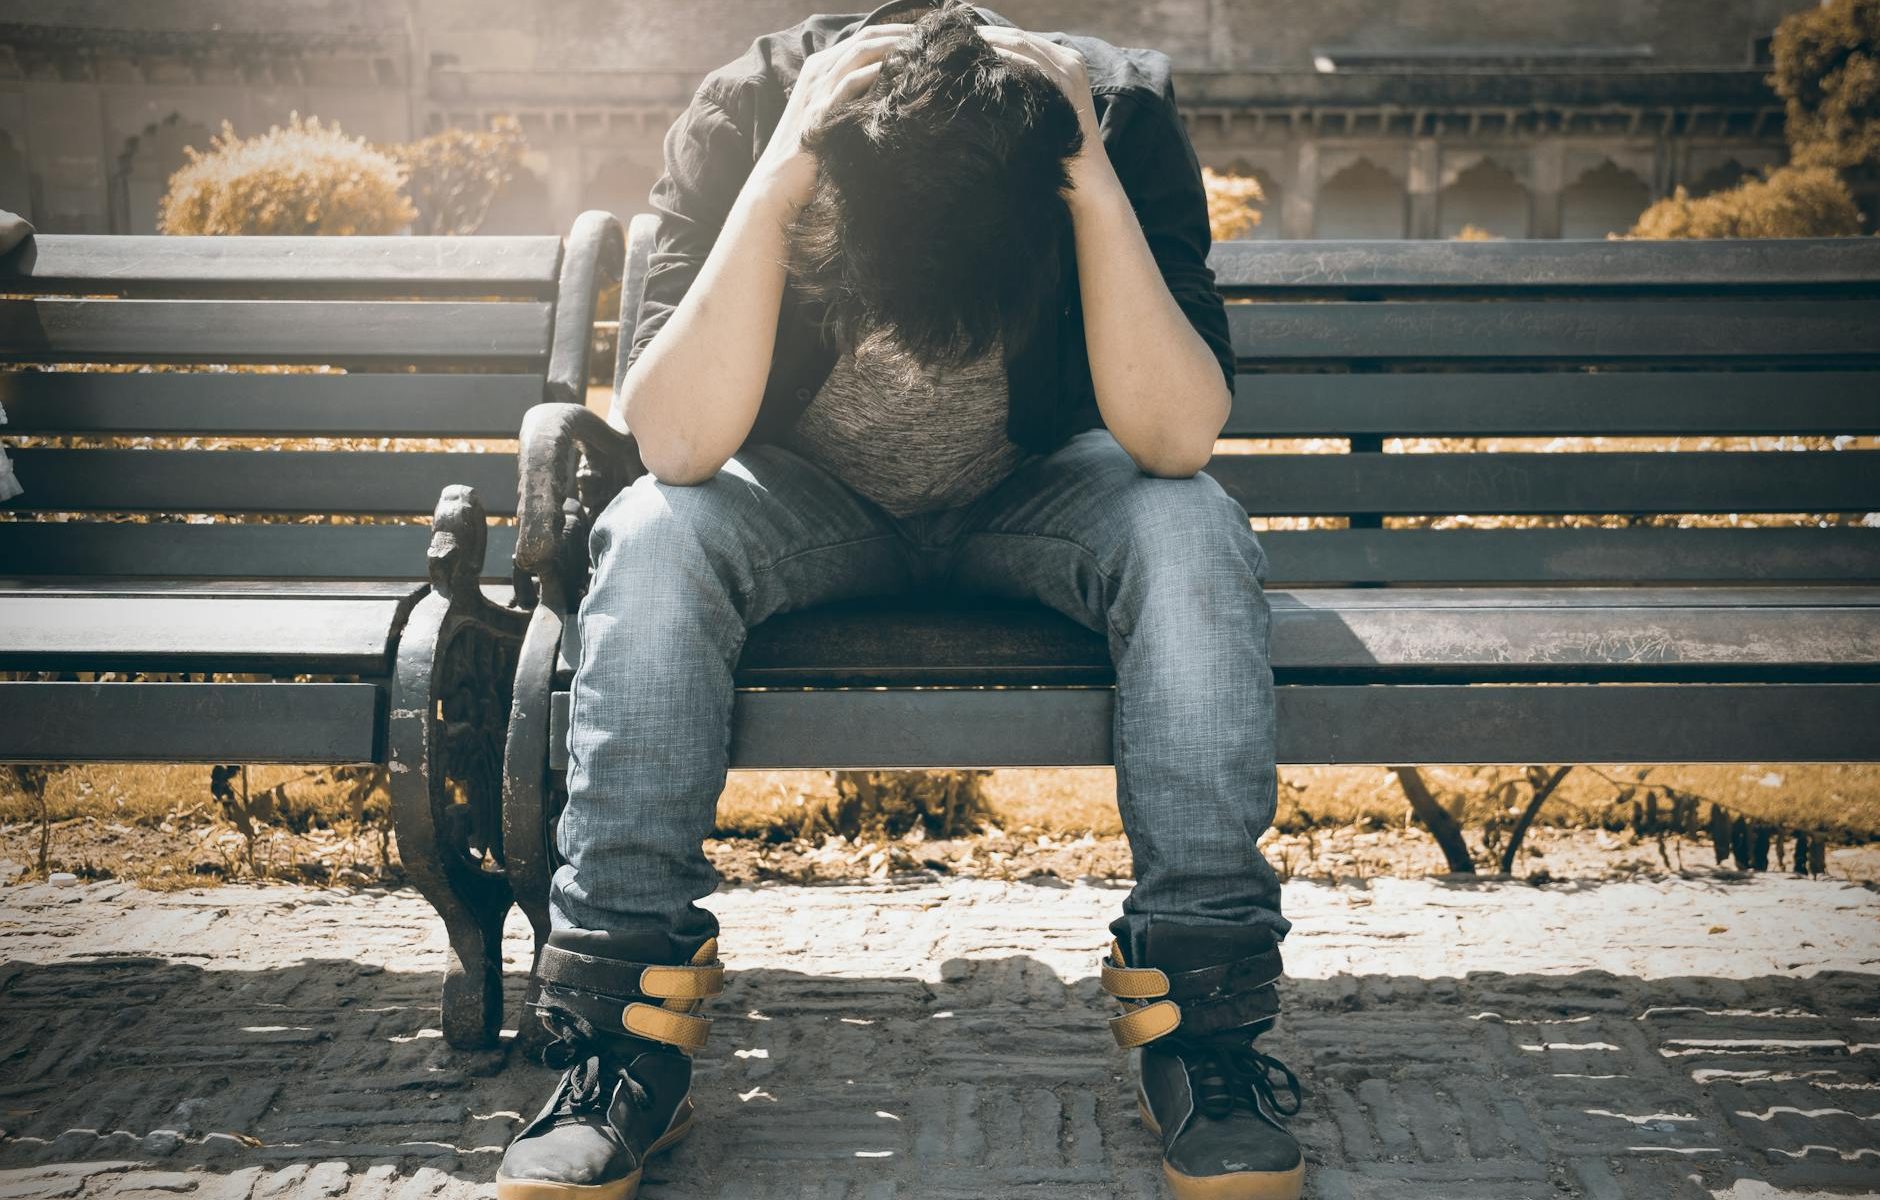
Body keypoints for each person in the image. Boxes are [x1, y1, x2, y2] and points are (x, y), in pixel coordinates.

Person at [494, 3, 1301, 1198]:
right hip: (800, 495)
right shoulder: (748, 111)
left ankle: (1206, 1032)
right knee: (654, 536)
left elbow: (1174, 436)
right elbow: (671, 440)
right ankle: (614, 1038)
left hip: (1036, 489)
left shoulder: (1111, 117)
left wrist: (1083, 175)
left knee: (1189, 529)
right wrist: (778, 180)